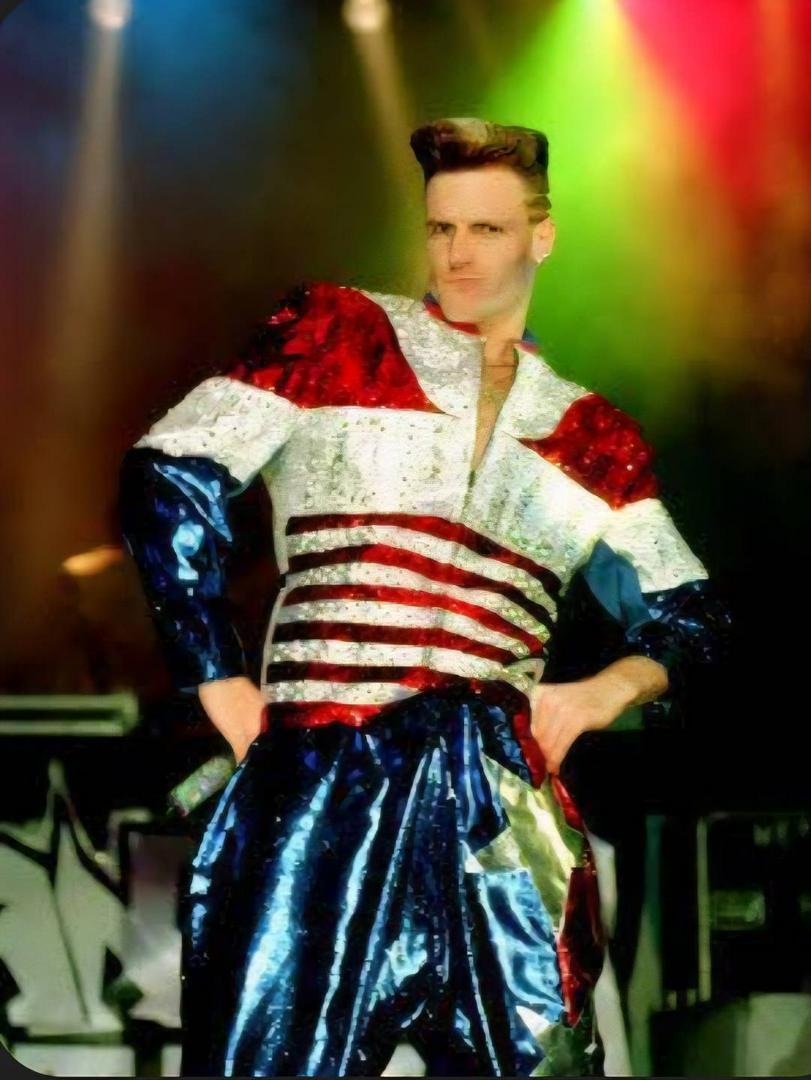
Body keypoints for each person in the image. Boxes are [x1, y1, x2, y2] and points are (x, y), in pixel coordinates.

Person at [120, 117, 729, 1076]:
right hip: (327, 775)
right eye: (441, 228)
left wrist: (604, 690)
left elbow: (690, 613)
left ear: (541, 237)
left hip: (498, 801)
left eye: (486, 229)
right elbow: (171, 470)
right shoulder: (337, 332)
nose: (457, 254)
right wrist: (214, 674)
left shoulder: (592, 435)